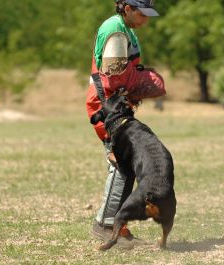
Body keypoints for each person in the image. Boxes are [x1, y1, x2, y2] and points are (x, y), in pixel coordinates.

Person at [85, 0, 166, 243]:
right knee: (120, 163)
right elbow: (114, 77)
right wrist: (140, 83)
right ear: (127, 8)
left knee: (126, 164)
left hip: (116, 106)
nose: (146, 20)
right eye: (142, 14)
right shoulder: (115, 29)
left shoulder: (126, 29)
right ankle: (106, 226)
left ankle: (115, 226)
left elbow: (123, 74)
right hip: (106, 107)